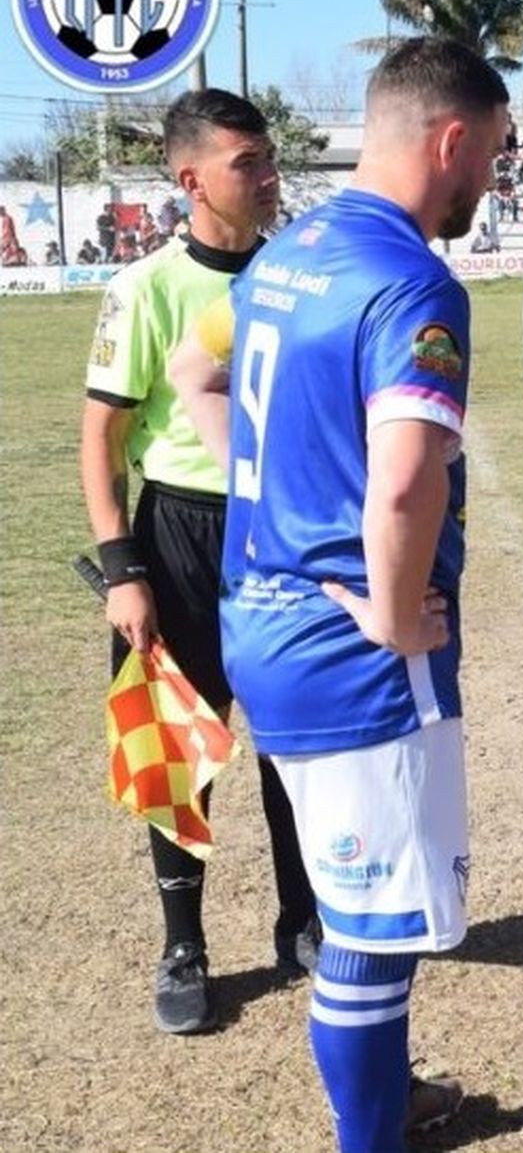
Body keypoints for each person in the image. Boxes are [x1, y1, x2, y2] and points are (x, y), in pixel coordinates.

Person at [214, 38, 509, 1152]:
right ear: (449, 140)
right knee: (374, 932)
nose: (492, 176)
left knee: (358, 912)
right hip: (350, 650)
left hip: (263, 614)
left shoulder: (292, 247)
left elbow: (207, 379)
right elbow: (401, 481)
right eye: (490, 151)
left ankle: (385, 1102)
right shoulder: (410, 278)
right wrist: (390, 614)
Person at [78, 89, 316, 1036]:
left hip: (279, 530)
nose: (267, 178)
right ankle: (185, 941)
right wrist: (123, 566)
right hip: (178, 533)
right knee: (180, 745)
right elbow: (101, 438)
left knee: (294, 731)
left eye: (268, 160)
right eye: (246, 164)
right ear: (191, 179)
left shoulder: (296, 275)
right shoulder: (148, 288)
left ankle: (303, 917)